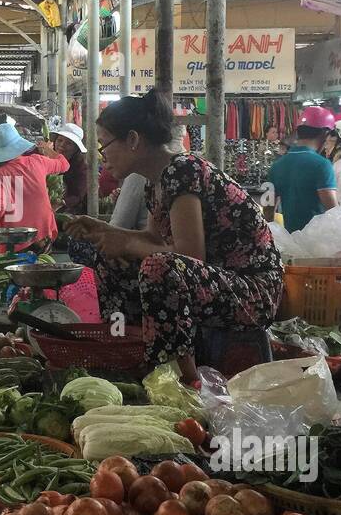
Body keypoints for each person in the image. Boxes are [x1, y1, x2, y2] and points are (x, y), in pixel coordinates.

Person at [65, 90, 282, 384]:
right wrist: (105, 231)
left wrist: (126, 242)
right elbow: (154, 239)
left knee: (159, 269)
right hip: (218, 282)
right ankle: (130, 350)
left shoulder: (183, 170)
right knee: (111, 257)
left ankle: (184, 382)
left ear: (132, 140)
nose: (103, 158)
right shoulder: (155, 181)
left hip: (252, 292)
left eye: (104, 145)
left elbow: (188, 257)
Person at [0, 122, 68, 249]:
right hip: (45, 232)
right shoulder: (37, 161)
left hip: (17, 238)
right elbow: (64, 164)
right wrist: (49, 150)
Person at [266, 106, 338, 233]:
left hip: (291, 239)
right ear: (325, 134)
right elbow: (333, 211)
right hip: (318, 242)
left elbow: (267, 207)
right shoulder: (322, 165)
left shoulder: (277, 166)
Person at [51, 124, 89, 213]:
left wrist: (62, 203)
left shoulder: (81, 168)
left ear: (76, 148)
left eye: (68, 143)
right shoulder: (47, 160)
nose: (62, 145)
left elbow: (78, 195)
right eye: (60, 140)